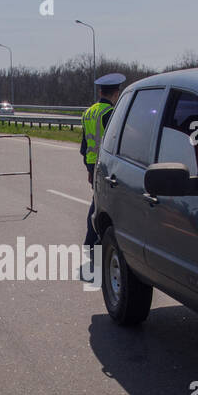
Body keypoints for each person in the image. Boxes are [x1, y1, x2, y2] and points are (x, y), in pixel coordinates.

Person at [80, 73, 125, 272]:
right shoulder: (111, 113)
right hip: (106, 164)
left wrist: (89, 168)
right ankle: (94, 242)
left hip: (92, 163)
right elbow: (116, 141)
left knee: (98, 201)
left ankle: (92, 243)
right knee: (103, 204)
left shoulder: (88, 112)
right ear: (117, 93)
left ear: (100, 91)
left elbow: (84, 145)